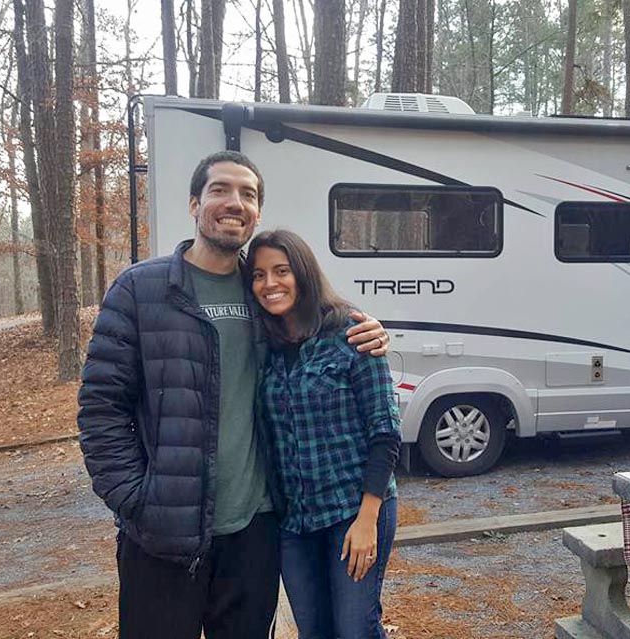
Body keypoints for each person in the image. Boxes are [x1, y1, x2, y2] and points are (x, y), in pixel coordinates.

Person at [77, 151, 390, 639]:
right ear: (194, 204)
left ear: (257, 213)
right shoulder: (140, 290)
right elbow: (101, 409)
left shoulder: (263, 294)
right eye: (220, 190)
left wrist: (372, 329)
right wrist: (136, 500)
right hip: (163, 534)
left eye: (248, 194)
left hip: (254, 532)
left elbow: (319, 326)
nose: (234, 203)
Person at [248, 229, 401, 639]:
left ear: (303, 272)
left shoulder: (351, 334)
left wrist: (367, 520)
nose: (270, 283)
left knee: (355, 628)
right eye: (259, 275)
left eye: (281, 270)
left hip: (353, 511)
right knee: (314, 630)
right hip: (295, 521)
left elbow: (385, 433)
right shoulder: (263, 345)